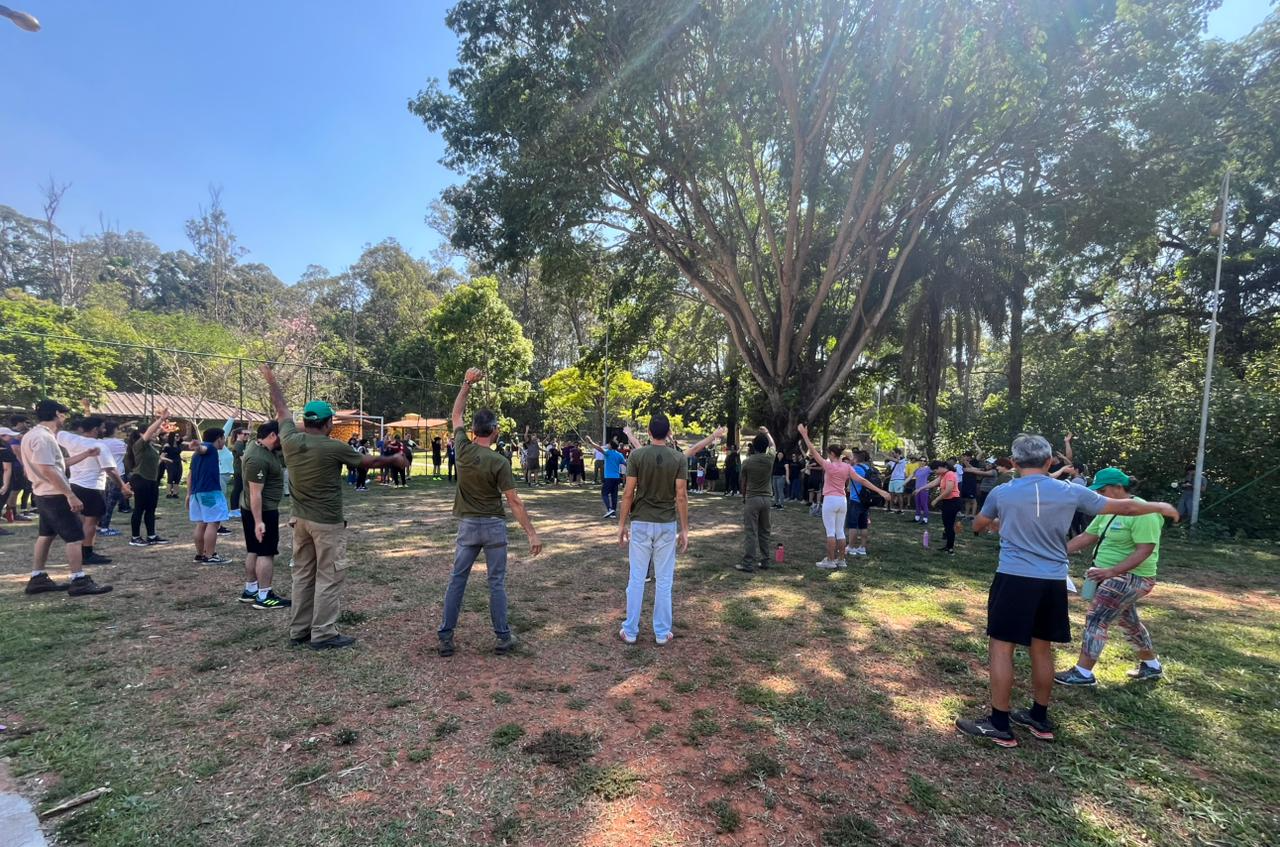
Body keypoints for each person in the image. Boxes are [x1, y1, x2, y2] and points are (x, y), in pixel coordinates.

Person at [956, 434, 1179, 747]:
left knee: (1001, 648)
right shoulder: (1071, 491)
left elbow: (979, 525)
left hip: (1015, 578)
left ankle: (999, 723)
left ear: (1015, 463)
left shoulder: (1003, 492)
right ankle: (1038, 716)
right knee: (1041, 647)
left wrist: (993, 524)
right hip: (1052, 581)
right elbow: (1124, 507)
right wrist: (1162, 506)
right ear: (1049, 462)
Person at [261, 364, 406, 649]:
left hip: (299, 521)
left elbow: (281, 409)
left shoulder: (289, 440)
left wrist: (271, 379)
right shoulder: (332, 447)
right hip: (326, 523)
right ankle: (324, 633)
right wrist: (395, 460)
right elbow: (369, 462)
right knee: (329, 576)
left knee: (302, 575)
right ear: (328, 424)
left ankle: (299, 630)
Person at [437, 369, 542, 656]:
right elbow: (514, 501)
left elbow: (456, 414)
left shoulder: (463, 449)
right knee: (496, 583)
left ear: (473, 431)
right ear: (494, 430)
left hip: (468, 525)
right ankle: (502, 637)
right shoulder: (499, 461)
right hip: (494, 527)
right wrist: (531, 533)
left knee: (457, 579)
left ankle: (446, 637)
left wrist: (467, 383)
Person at [1055, 467, 1169, 687]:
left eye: (1103, 490)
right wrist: (1056, 551)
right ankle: (1151, 665)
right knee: (1129, 621)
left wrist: (1111, 572)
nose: (1098, 495)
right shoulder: (1108, 509)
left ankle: (1083, 673)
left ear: (1118, 488)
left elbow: (1144, 550)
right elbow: (1088, 535)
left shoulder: (1143, 512)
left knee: (1097, 617)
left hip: (1132, 577)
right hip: (1109, 575)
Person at [19, 400, 112, 596]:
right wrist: (69, 494)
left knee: (46, 535)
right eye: (63, 414)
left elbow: (58, 464)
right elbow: (48, 469)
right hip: (55, 494)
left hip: (43, 493)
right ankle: (78, 580)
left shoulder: (32, 435)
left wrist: (86, 454)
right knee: (76, 536)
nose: (65, 418)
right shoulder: (44, 438)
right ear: (56, 414)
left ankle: (38, 577)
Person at [616, 413, 689, 645]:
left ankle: (630, 630)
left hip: (641, 523)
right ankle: (661, 632)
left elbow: (628, 493)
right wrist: (685, 528)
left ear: (648, 432)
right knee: (664, 580)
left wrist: (621, 524)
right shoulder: (678, 458)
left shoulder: (637, 455)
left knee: (636, 578)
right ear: (668, 433)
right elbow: (681, 495)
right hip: (666, 524)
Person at [797, 424, 888, 569]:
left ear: (832, 454)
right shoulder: (847, 467)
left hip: (830, 500)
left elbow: (813, 451)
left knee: (830, 532)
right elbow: (863, 481)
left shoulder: (829, 466)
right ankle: (841, 560)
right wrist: (881, 491)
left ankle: (830, 560)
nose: (827, 456)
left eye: (828, 454)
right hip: (842, 501)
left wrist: (804, 434)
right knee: (840, 531)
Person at [58, 416, 131, 566]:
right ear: (95, 429)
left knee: (83, 520)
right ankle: (87, 553)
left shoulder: (70, 438)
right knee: (91, 522)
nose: (105, 430)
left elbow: (57, 433)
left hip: (74, 484)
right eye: (103, 427)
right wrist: (123, 486)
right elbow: (111, 470)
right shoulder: (99, 446)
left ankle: (81, 550)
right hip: (93, 487)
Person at [238, 420, 291, 610]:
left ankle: (250, 590)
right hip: (262, 511)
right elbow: (255, 493)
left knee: (254, 549)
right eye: (282, 437)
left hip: (254, 510)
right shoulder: (258, 459)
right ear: (272, 436)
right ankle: (264, 595)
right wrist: (259, 522)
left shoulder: (259, 446)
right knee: (265, 553)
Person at [127, 408, 172, 547]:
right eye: (152, 432)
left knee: (151, 509)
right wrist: (161, 419)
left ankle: (151, 536)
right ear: (142, 433)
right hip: (140, 479)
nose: (156, 434)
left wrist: (161, 459)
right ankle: (135, 537)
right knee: (139, 509)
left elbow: (152, 463)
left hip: (151, 481)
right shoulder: (139, 444)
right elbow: (150, 432)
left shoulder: (152, 447)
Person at [187, 427, 231, 565]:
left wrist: (189, 494)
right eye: (224, 438)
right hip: (210, 492)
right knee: (213, 523)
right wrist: (198, 446)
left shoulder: (195, 456)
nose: (224, 441)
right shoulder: (211, 448)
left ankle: (200, 555)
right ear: (219, 438)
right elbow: (203, 449)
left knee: (201, 523)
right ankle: (210, 555)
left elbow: (190, 475)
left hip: (197, 492)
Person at [736, 427, 776, 573]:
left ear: (754, 446)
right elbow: (773, 446)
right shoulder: (770, 459)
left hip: (752, 498)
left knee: (750, 531)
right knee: (765, 530)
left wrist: (743, 496)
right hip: (767, 498)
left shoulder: (747, 462)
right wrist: (767, 433)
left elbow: (743, 481)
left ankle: (748, 563)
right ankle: (765, 560)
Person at [917, 460, 962, 553]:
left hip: (952, 501)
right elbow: (933, 483)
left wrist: (936, 499)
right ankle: (948, 546)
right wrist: (921, 488)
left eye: (935, 470)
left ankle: (950, 548)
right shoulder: (943, 475)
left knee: (949, 525)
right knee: (947, 525)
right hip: (947, 501)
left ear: (940, 468)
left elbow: (949, 490)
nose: (935, 472)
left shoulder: (950, 474)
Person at [97, 421, 129, 537]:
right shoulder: (119, 444)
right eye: (118, 429)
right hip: (117, 475)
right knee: (110, 503)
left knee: (103, 501)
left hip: (102, 475)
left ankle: (99, 525)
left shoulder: (99, 442)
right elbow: (128, 452)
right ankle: (104, 528)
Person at [583, 433, 626, 518]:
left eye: (609, 444)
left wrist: (591, 441)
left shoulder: (608, 453)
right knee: (614, 495)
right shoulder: (619, 455)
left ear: (611, 446)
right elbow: (625, 464)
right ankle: (613, 513)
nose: (608, 445)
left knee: (604, 493)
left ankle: (610, 509)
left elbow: (598, 448)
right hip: (616, 478)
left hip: (609, 477)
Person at [846, 450, 875, 558]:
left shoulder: (855, 469)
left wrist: (850, 464)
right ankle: (862, 548)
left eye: (852, 457)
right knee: (863, 525)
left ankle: (851, 546)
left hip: (855, 499)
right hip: (866, 500)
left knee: (852, 525)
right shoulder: (868, 468)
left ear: (856, 459)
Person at [885, 448, 907, 513]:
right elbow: (886, 465)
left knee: (899, 494)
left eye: (893, 453)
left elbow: (897, 461)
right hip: (892, 479)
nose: (892, 454)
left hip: (899, 479)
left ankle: (900, 510)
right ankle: (890, 508)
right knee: (891, 494)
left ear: (898, 453)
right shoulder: (892, 461)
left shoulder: (903, 460)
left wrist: (887, 456)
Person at [163, 433, 184, 498]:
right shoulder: (167, 445)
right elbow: (162, 456)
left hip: (178, 463)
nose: (177, 437)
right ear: (172, 437)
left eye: (178, 436)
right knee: (170, 477)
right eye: (176, 436)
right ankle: (168, 493)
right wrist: (169, 460)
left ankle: (175, 493)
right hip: (171, 464)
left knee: (177, 477)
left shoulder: (177, 444)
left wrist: (182, 459)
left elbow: (177, 454)